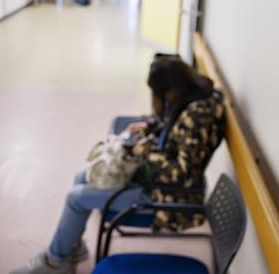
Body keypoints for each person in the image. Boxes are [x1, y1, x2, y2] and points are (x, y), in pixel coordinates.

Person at [11, 54, 226, 274]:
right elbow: (174, 128)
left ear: (171, 89)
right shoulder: (194, 96)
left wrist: (143, 150)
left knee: (76, 198)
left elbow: (181, 172)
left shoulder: (197, 117)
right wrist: (150, 125)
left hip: (167, 196)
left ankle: (54, 262)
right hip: (156, 181)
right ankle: (70, 251)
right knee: (81, 178)